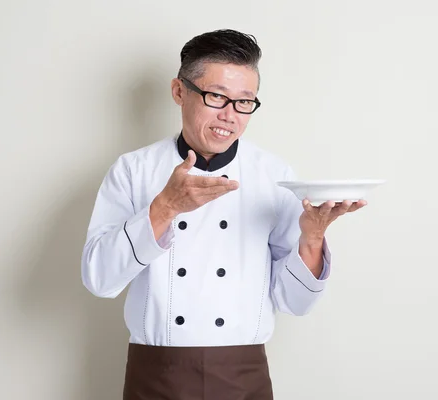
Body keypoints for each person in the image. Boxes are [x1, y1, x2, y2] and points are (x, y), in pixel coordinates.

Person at [81, 29, 367, 400]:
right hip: (156, 375)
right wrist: (164, 207)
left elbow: (295, 303)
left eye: (244, 102)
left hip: (243, 377)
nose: (230, 116)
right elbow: (99, 280)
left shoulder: (275, 175)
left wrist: (312, 238)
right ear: (179, 91)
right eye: (216, 96)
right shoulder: (133, 170)